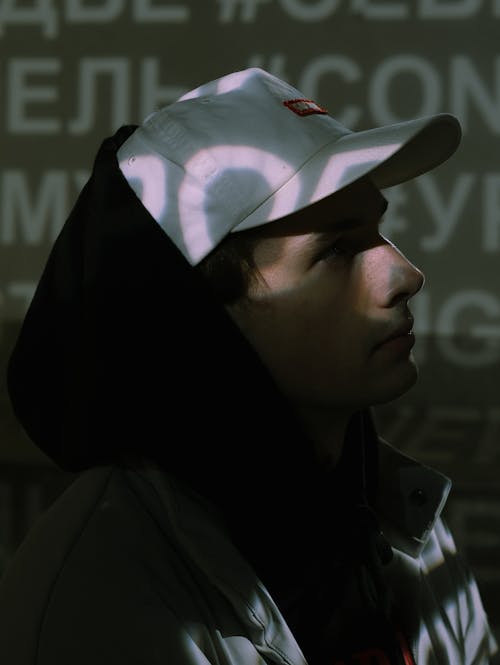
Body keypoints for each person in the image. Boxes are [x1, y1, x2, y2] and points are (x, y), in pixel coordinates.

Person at [0, 67, 497, 665]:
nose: (406, 275)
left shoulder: (398, 512)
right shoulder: (102, 596)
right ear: (206, 315)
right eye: (337, 248)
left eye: (379, 229)